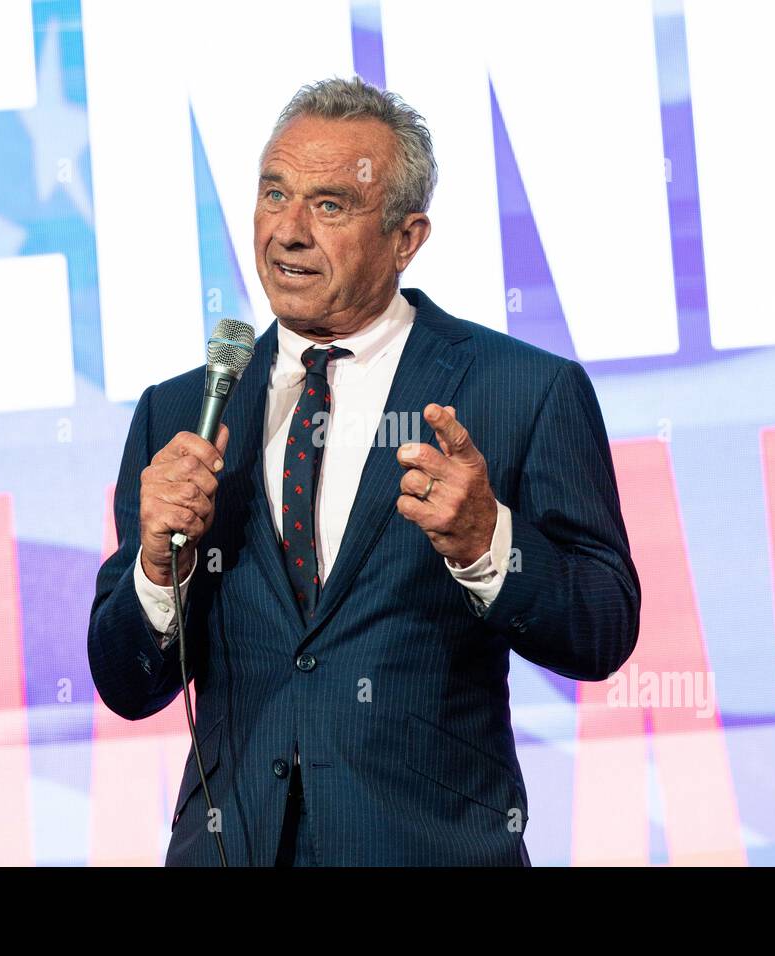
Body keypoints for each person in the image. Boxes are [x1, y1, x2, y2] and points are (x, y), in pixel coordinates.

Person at [87, 76, 640, 866]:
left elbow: (604, 628)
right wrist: (153, 569)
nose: (288, 232)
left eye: (330, 205)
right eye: (273, 193)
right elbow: (125, 683)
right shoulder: (182, 411)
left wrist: (489, 544)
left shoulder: (519, 391)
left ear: (406, 236)